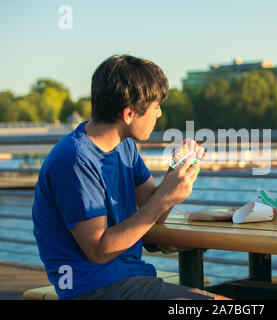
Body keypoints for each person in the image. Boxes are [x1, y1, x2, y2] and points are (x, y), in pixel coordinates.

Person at [32, 54, 227, 300]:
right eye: (155, 106)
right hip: (94, 289)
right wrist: (164, 197)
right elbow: (99, 250)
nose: (159, 114)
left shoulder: (123, 147)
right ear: (128, 114)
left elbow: (154, 212)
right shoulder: (74, 160)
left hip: (128, 279)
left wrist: (176, 171)